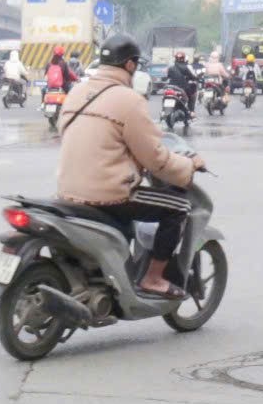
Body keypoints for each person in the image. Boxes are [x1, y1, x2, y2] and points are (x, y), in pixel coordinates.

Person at [53, 36, 206, 296]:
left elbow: (69, 132)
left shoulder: (77, 92)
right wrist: (187, 166)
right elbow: (155, 158)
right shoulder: (129, 100)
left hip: (67, 191)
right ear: (130, 65)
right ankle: (153, 278)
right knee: (179, 207)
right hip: (108, 194)